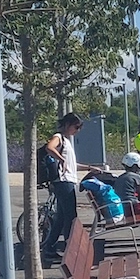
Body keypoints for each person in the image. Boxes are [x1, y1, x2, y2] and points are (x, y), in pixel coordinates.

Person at [40, 112, 84, 264]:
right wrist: (61, 158)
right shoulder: (59, 137)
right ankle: (70, 250)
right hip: (63, 181)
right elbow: (49, 147)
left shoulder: (67, 141)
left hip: (67, 181)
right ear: (68, 125)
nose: (77, 131)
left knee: (61, 218)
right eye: (76, 127)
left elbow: (71, 164)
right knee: (70, 216)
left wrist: (90, 167)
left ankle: (50, 248)